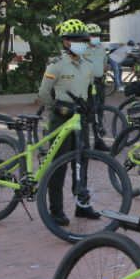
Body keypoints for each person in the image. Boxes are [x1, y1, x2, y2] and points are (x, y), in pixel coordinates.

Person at [36, 19, 96, 227]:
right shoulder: (57, 64)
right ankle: (56, 210)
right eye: (77, 40)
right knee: (58, 165)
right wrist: (55, 108)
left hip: (81, 118)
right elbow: (43, 93)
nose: (82, 44)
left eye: (84, 40)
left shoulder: (87, 65)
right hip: (61, 118)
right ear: (66, 42)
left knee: (81, 162)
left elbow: (89, 90)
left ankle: (82, 205)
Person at [85, 22, 108, 97]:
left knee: (100, 103)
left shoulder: (101, 47)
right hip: (86, 82)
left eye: (97, 35)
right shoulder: (81, 48)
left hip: (99, 81)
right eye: (93, 35)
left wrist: (104, 71)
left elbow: (105, 61)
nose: (96, 37)